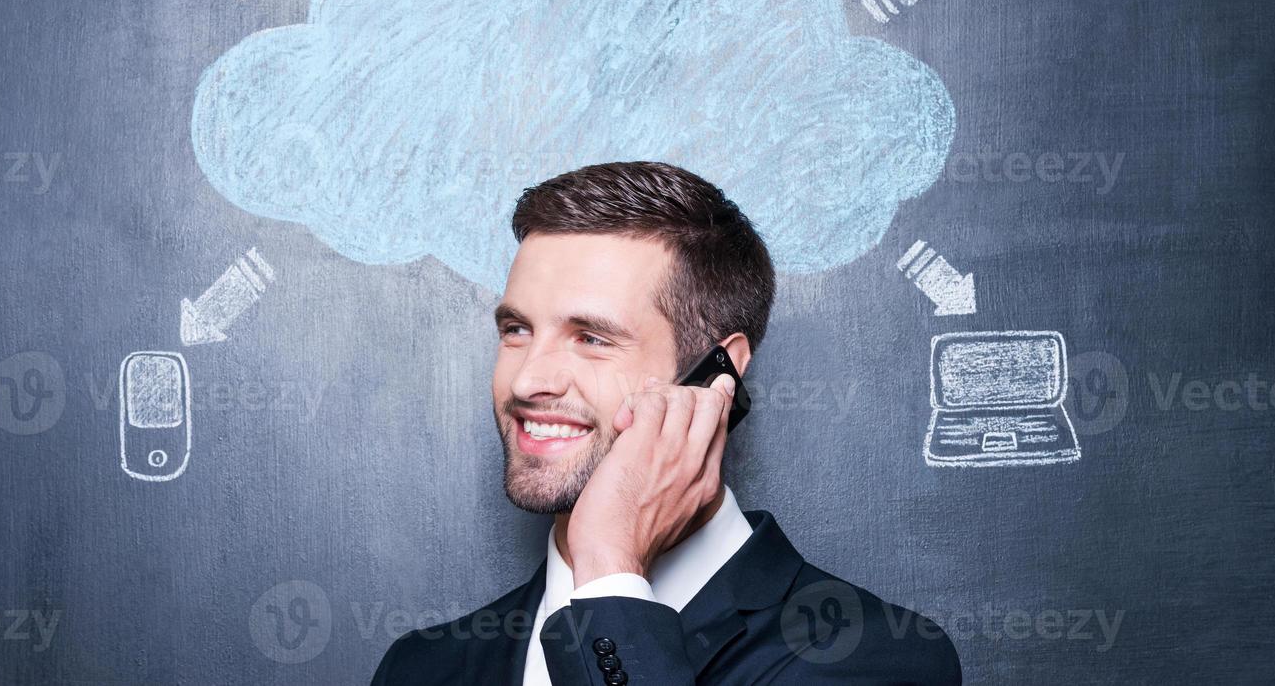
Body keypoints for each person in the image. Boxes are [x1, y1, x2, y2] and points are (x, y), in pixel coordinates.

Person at [372, 162, 960, 685]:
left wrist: (607, 574)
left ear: (713, 374)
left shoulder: (875, 656)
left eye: (592, 338)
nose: (526, 382)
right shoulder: (421, 666)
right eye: (517, 330)